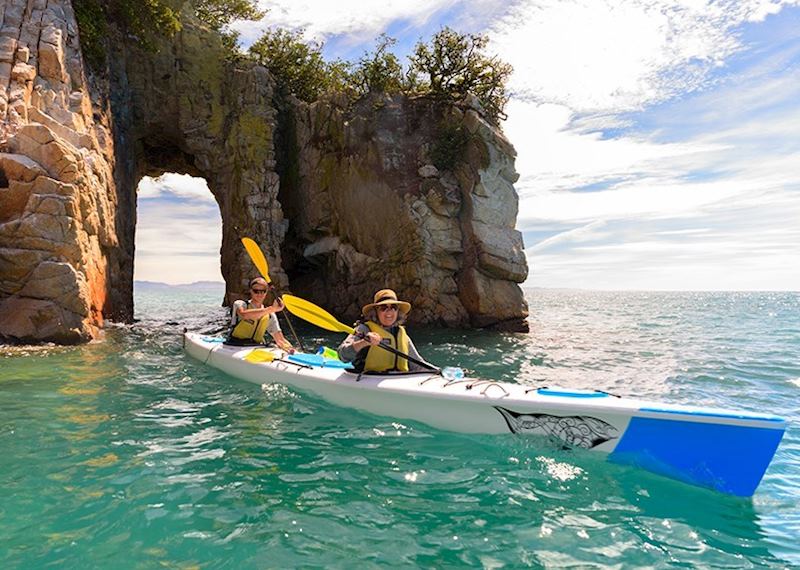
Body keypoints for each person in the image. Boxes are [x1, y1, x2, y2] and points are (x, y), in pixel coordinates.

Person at [337, 289, 431, 373]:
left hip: (399, 381)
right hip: (368, 380)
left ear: (398, 312)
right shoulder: (364, 330)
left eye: (393, 307)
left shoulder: (401, 334)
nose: (389, 312)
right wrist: (364, 342)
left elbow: (418, 365)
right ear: (375, 312)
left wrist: (436, 373)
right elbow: (342, 355)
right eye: (383, 308)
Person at [228, 277, 295, 352]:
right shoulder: (240, 304)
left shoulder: (270, 315)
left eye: (263, 291)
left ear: (266, 292)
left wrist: (292, 351)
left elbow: (280, 339)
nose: (260, 294)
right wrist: (272, 309)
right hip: (234, 345)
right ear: (251, 291)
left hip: (256, 348)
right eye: (256, 291)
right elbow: (244, 315)